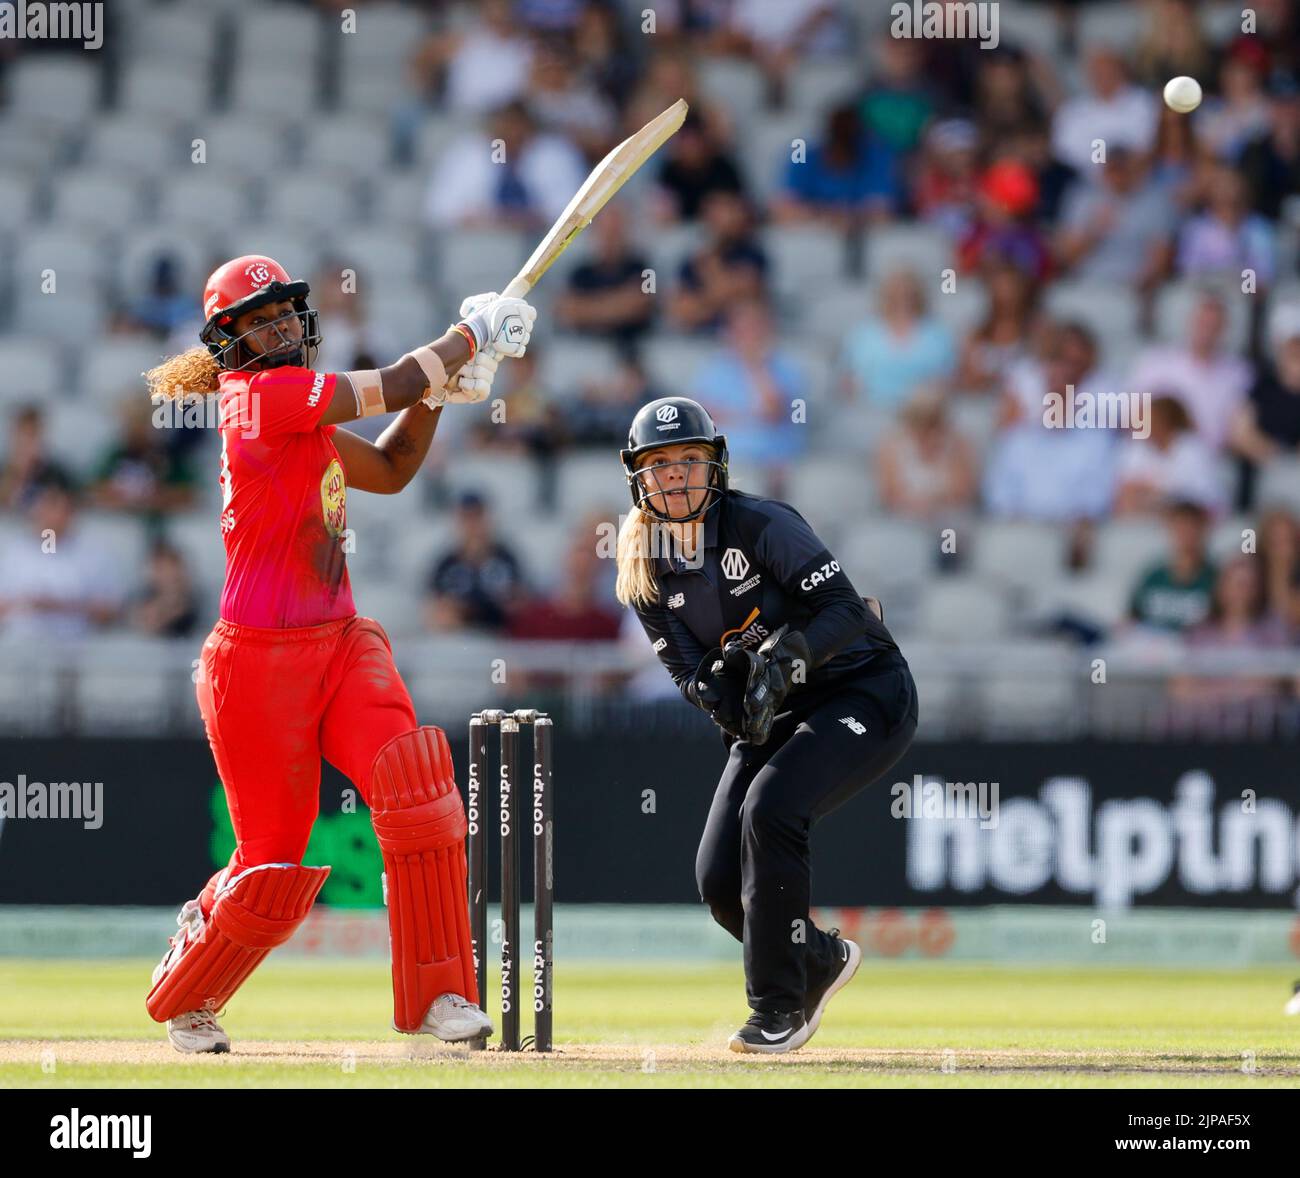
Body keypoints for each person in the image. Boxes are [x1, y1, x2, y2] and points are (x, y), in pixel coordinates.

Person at [141, 253, 536, 1053]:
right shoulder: (256, 398)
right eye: (259, 319)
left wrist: (437, 395)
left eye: (286, 312)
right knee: (272, 864)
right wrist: (469, 338)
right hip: (254, 664)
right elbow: (386, 382)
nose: (281, 326)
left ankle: (441, 1000)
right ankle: (194, 986)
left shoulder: (302, 419)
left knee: (418, 792)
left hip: (342, 642)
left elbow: (391, 467)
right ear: (229, 341)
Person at [615, 397, 917, 1054]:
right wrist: (721, 693)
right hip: (772, 716)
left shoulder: (762, 523)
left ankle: (776, 1009)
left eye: (689, 460)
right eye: (660, 464)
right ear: (638, 477)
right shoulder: (644, 568)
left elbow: (847, 612)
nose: (677, 475)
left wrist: (793, 655)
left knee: (771, 808)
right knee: (721, 884)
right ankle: (818, 959)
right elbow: (691, 677)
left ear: (715, 465)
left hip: (861, 690)